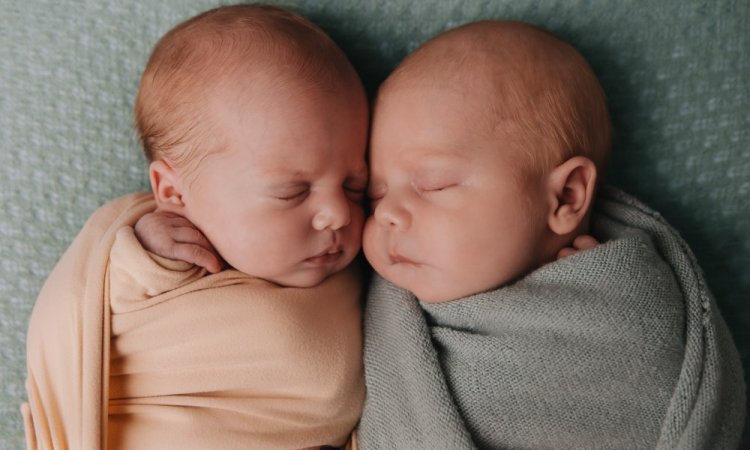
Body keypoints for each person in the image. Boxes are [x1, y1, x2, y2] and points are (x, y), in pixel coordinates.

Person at [136, 19, 745, 450]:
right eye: (375, 194)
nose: (375, 218)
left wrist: (597, 303)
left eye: (432, 185)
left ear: (564, 197)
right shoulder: (353, 280)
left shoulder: (624, 313)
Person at [22, 4, 368, 449]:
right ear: (175, 192)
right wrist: (145, 256)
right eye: (291, 193)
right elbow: (85, 304)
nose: (339, 213)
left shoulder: (359, 277)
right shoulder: (148, 252)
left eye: (356, 185)